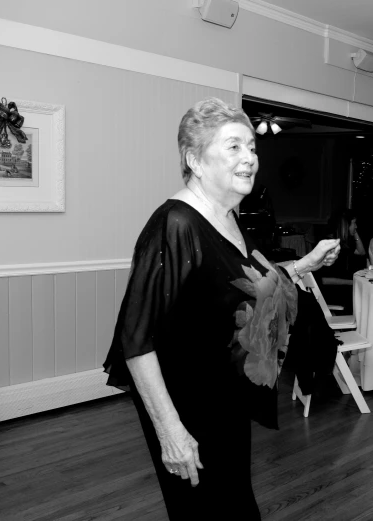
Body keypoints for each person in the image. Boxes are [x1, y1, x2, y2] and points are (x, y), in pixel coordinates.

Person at [103, 98, 340, 520]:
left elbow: (248, 280)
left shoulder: (230, 217)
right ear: (195, 159)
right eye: (234, 147)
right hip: (186, 406)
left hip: (225, 397)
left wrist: (305, 264)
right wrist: (170, 431)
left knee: (235, 505)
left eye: (251, 147)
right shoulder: (174, 226)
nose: (250, 158)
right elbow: (135, 342)